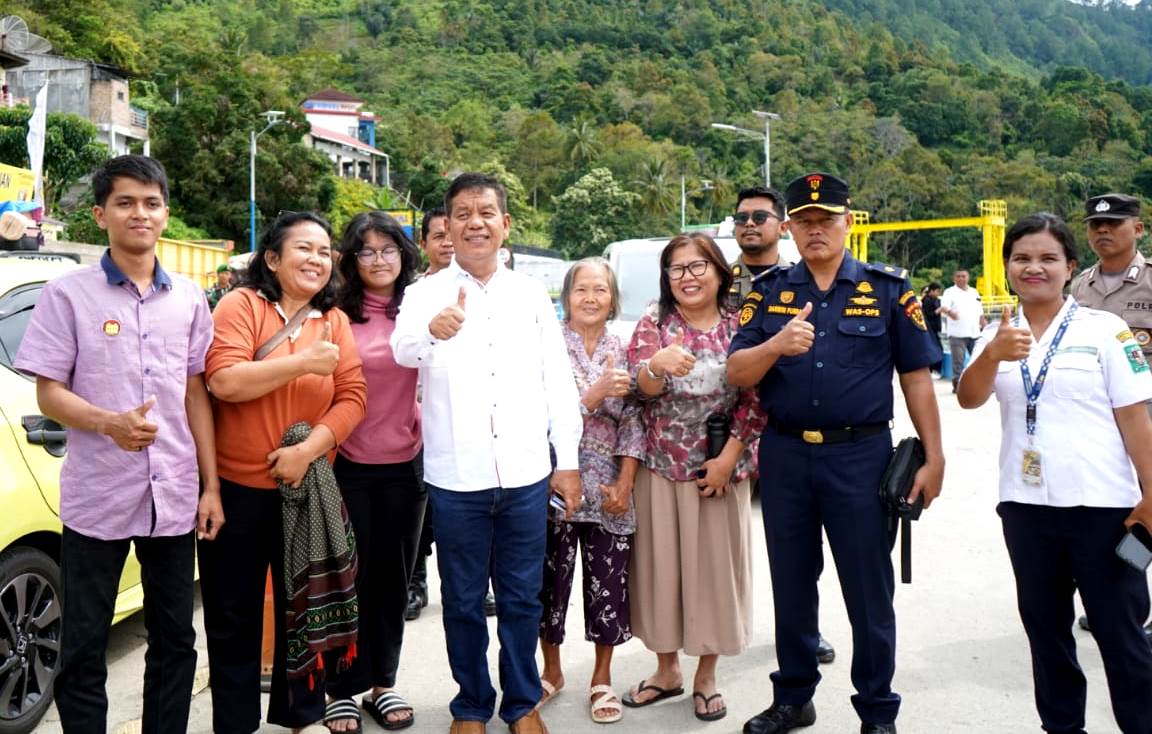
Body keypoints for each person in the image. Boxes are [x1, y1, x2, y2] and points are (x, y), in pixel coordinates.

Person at [728, 172, 944, 734]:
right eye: (805, 221)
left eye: (828, 220)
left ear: (849, 222)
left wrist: (934, 457)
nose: (816, 230)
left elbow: (917, 377)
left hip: (861, 456)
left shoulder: (890, 289)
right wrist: (775, 345)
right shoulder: (770, 291)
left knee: (868, 589)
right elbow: (736, 372)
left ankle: (877, 710)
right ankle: (794, 697)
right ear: (790, 228)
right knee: (792, 582)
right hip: (786, 457)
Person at [14, 154, 221, 733]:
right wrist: (109, 424)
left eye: (151, 203)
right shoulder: (67, 296)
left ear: (166, 214)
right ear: (101, 214)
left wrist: (212, 486)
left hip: (174, 495)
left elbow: (196, 395)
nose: (140, 213)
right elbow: (49, 394)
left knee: (176, 639)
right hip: (97, 495)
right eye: (126, 202)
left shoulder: (187, 297)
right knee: (83, 645)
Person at [391, 173, 582, 734]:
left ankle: (522, 703)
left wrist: (565, 462)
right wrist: (433, 331)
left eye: (486, 212)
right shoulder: (424, 293)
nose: (475, 222)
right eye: (463, 213)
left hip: (526, 473)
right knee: (463, 601)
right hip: (457, 479)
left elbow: (557, 383)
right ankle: (471, 704)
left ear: (505, 225)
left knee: (523, 599)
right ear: (447, 227)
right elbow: (402, 352)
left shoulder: (530, 297)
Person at [956, 212, 1152, 733]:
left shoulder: (1105, 330)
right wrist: (992, 356)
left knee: (1122, 634)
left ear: (1069, 267)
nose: (1033, 267)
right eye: (1022, 258)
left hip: (1104, 509)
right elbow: (969, 398)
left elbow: (1134, 416)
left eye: (1047, 258)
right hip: (1026, 509)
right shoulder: (998, 333)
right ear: (1007, 268)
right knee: (1046, 634)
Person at [199, 211, 367, 734]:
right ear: (272, 258)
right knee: (234, 617)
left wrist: (308, 451)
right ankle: (235, 724)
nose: (317, 259)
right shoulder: (241, 305)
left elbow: (353, 396)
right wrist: (301, 363)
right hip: (239, 490)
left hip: (305, 487)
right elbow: (224, 380)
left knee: (304, 606)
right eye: (303, 249)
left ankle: (302, 719)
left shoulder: (333, 319)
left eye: (324, 251)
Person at [621, 232, 765, 724]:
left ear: (720, 271)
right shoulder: (654, 323)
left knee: (713, 577)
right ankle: (666, 671)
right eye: (677, 269)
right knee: (662, 574)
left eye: (698, 266)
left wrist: (728, 458)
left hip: (718, 469)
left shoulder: (741, 325)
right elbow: (635, 393)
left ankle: (705, 675)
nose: (687, 277)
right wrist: (655, 368)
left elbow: (757, 398)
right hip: (659, 469)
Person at [320, 211, 424, 732]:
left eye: (389, 249)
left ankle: (383, 683)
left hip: (405, 464)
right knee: (347, 580)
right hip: (347, 464)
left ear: (403, 256)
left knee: (392, 580)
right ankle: (340, 688)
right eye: (367, 250)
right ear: (351, 259)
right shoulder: (336, 312)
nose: (379, 259)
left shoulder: (418, 309)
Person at [727, 185, 837, 666]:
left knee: (797, 543)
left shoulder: (799, 280)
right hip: (719, 416)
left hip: (779, 419)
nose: (750, 224)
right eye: (742, 217)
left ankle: (804, 632)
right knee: (724, 540)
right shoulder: (714, 276)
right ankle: (720, 630)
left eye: (761, 217)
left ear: (781, 226)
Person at [537, 257, 643, 725]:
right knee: (548, 584)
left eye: (600, 290)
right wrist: (591, 395)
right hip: (554, 481)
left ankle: (601, 678)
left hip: (608, 489)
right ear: (566, 297)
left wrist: (625, 482)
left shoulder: (625, 346)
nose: (591, 298)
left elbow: (636, 421)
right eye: (581, 289)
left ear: (613, 299)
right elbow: (538, 418)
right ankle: (551, 672)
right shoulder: (546, 346)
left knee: (608, 585)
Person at [1070, 192, 1152, 641]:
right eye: (1095, 225)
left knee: (1150, 514)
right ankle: (1110, 602)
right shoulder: (1081, 287)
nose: (1103, 231)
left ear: (1137, 229)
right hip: (1096, 428)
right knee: (1104, 519)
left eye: (1115, 224)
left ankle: (1141, 612)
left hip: (1146, 423)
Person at [941, 268, 986, 392]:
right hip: (957, 333)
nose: (961, 278)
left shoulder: (974, 292)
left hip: (974, 332)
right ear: (954, 279)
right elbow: (944, 307)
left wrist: (984, 324)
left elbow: (980, 310)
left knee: (978, 360)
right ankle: (958, 385)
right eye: (958, 276)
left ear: (968, 277)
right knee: (958, 362)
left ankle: (980, 384)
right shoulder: (949, 292)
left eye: (964, 276)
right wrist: (951, 313)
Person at [420, 206, 454, 275]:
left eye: (453, 235)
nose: (448, 243)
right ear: (424, 246)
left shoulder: (478, 284)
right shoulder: (416, 285)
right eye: (439, 236)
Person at [921, 282, 944, 375]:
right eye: (937, 291)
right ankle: (933, 369)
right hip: (929, 328)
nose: (938, 293)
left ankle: (935, 369)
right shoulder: (927, 300)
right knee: (936, 348)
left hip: (936, 328)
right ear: (932, 291)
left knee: (937, 348)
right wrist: (939, 310)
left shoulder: (937, 300)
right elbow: (929, 315)